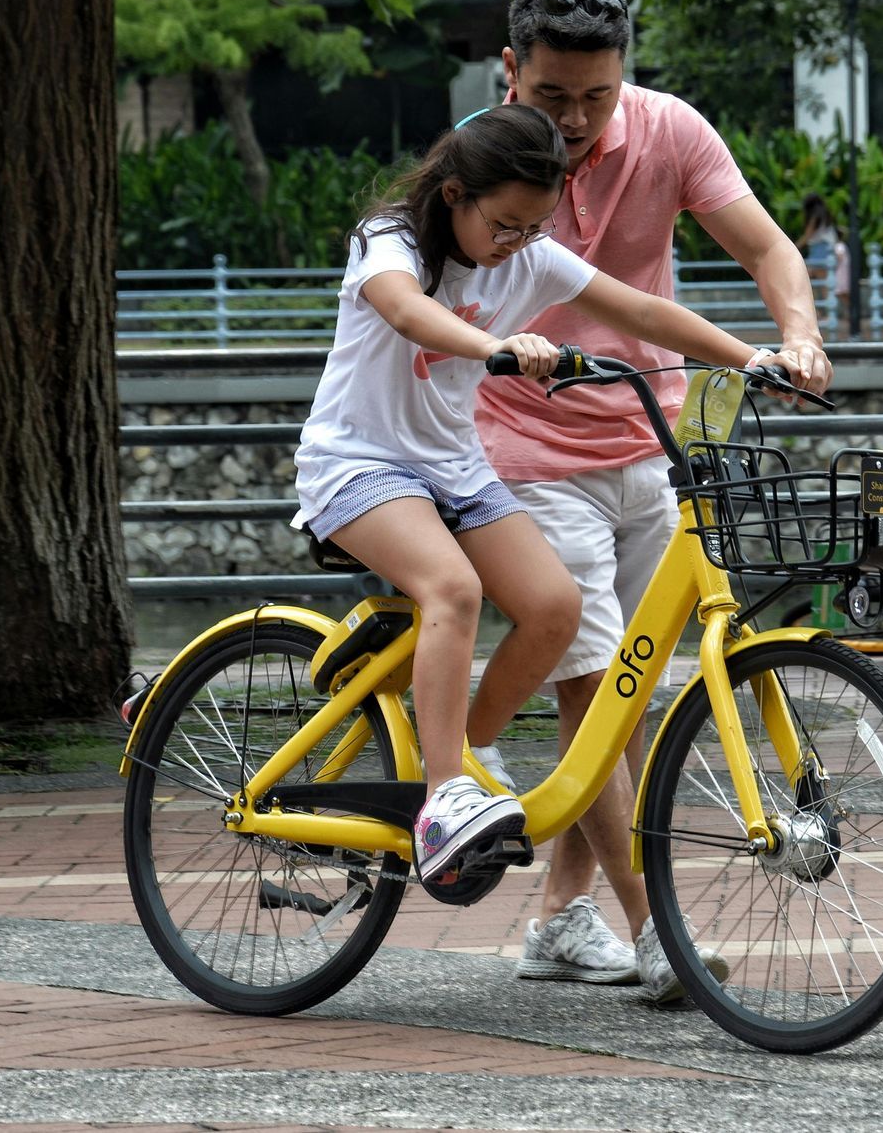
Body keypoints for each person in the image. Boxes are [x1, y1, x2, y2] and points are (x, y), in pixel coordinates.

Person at [467, 0, 832, 1004]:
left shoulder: (670, 130)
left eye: (596, 95)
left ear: (625, 73)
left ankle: (556, 920)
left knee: (625, 703)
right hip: (523, 451)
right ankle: (654, 924)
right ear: (510, 71)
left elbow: (766, 246)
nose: (576, 120)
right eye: (551, 96)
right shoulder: (485, 155)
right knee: (596, 686)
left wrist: (796, 336)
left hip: (649, 440)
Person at [291, 103, 770, 893]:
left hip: (452, 465)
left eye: (534, 226)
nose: (518, 243)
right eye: (505, 225)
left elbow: (644, 311)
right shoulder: (389, 240)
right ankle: (444, 798)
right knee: (453, 588)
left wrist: (755, 358)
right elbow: (408, 311)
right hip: (358, 462)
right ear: (454, 195)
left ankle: (461, 750)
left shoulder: (531, 256)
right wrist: (495, 346)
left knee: (555, 607)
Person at [797, 192, 849, 330]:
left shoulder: (814, 216)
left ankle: (825, 314)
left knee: (815, 282)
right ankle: (821, 313)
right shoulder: (825, 214)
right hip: (824, 250)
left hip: (819, 251)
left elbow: (808, 235)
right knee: (815, 281)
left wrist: (794, 247)